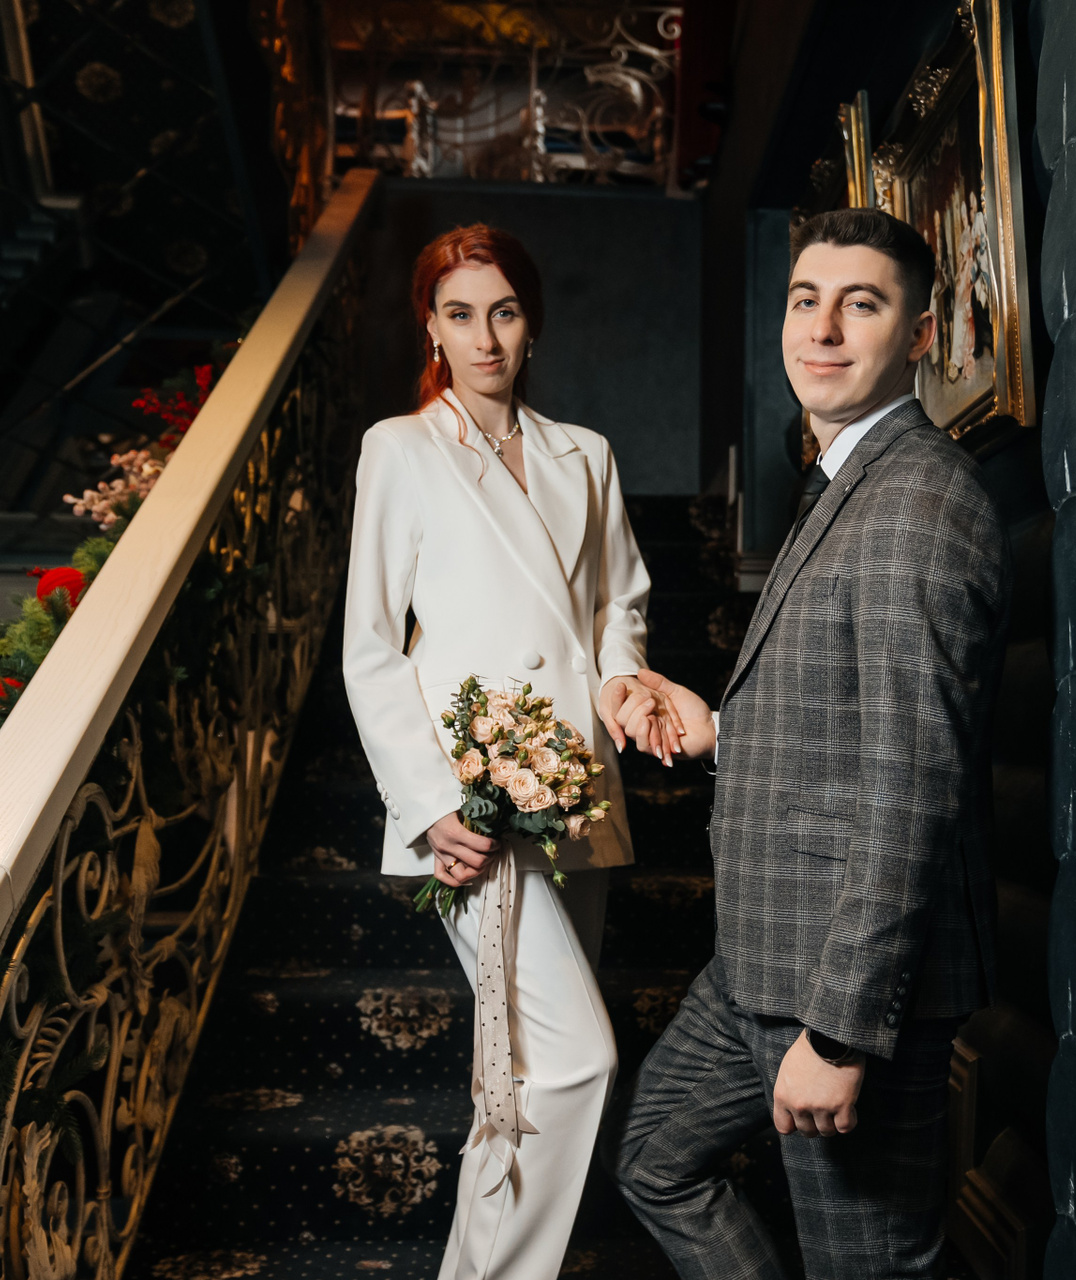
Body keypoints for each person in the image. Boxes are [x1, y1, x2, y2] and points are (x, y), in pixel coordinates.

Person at [605, 207, 1013, 1279]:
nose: (822, 329)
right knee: (656, 1160)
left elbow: (911, 792)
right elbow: (852, 728)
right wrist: (723, 730)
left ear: (920, 335)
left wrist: (839, 1036)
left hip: (844, 991)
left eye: (860, 304)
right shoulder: (845, 478)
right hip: (760, 960)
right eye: (805, 300)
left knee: (865, 1267)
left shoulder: (918, 503)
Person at [342, 222, 677, 1280]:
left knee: (525, 1079)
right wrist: (430, 801)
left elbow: (618, 606)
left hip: (576, 790)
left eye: (504, 311)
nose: (484, 338)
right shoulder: (401, 448)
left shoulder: (588, 453)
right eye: (460, 314)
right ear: (430, 328)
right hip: (474, 805)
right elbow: (369, 648)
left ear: (532, 323)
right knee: (575, 1064)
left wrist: (620, 677)